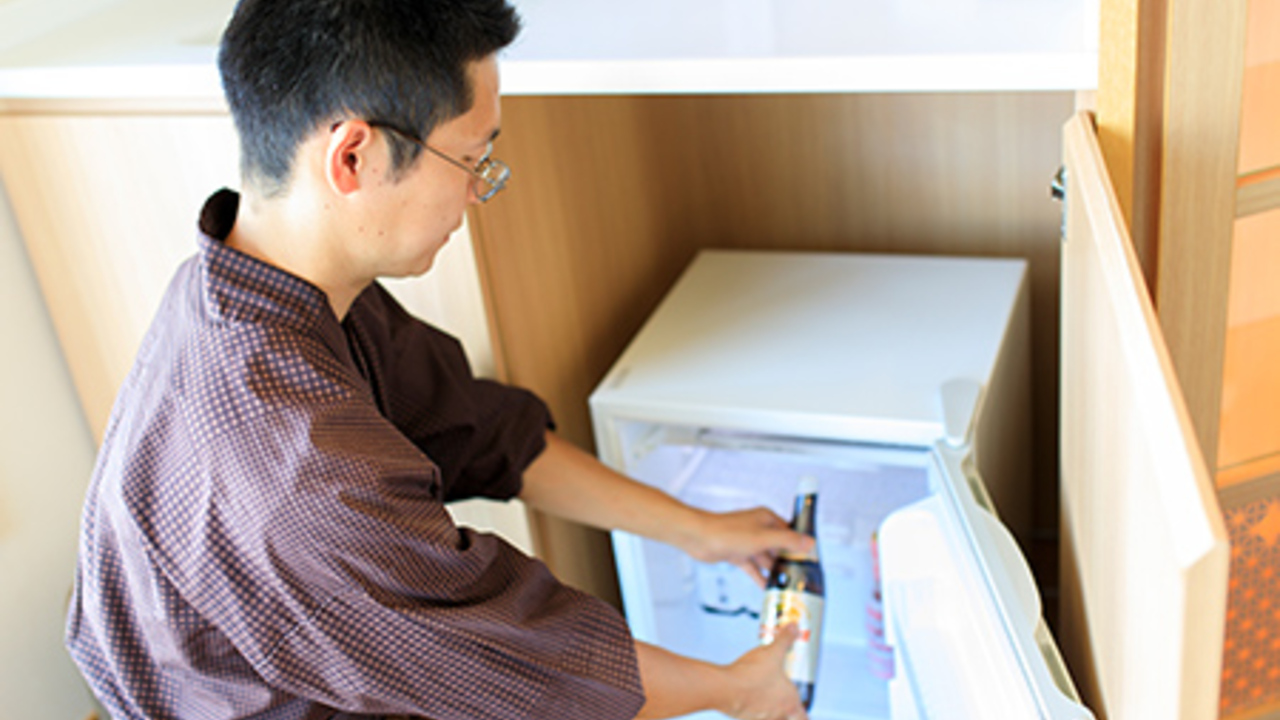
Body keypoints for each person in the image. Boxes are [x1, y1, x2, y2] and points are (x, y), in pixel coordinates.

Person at [64, 1, 815, 719]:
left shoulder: (263, 279)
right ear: (351, 155)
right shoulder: (302, 465)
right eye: (471, 159)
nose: (479, 192)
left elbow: (476, 429)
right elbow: (524, 665)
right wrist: (738, 689)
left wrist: (695, 530)